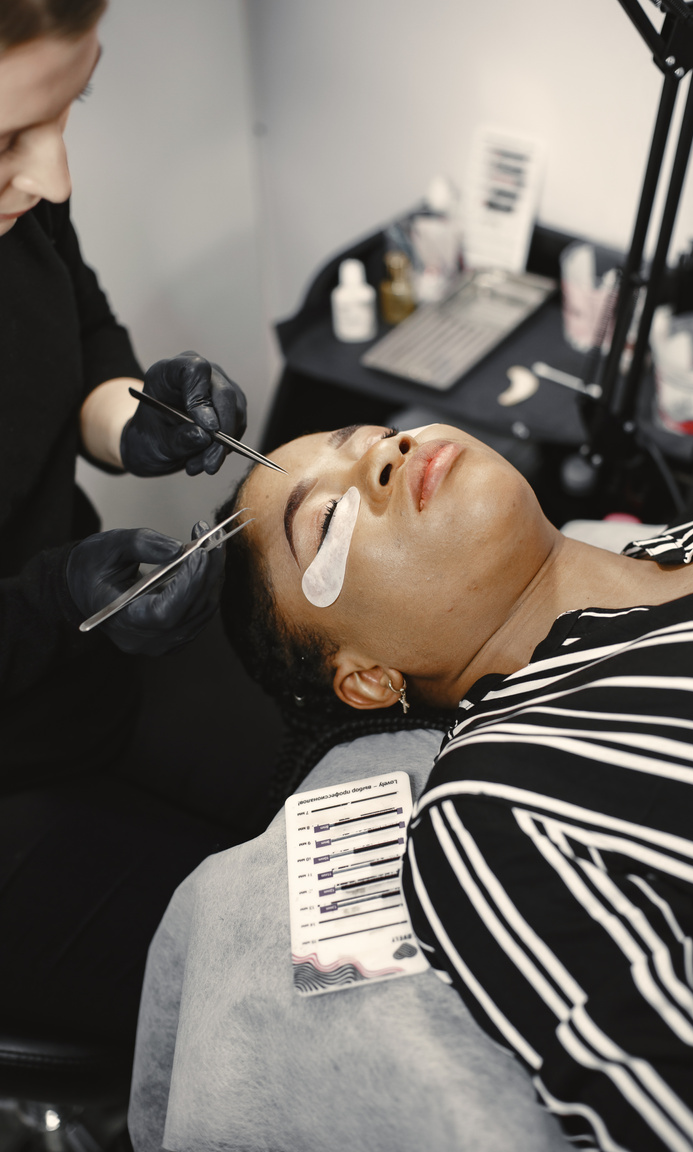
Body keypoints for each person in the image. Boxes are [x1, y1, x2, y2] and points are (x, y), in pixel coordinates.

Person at [207, 421, 693, 1151]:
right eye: (327, 518)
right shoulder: (490, 810)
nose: (387, 452)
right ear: (371, 677)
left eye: (374, 434)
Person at [0, 0, 253, 1047]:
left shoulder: (20, 208)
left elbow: (84, 327)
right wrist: (55, 596)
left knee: (321, 799)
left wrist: (136, 419)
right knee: (258, 968)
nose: (56, 176)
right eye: (10, 139)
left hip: (79, 668)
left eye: (74, 107)